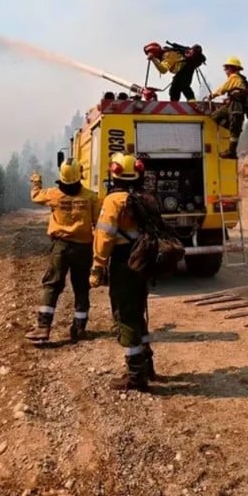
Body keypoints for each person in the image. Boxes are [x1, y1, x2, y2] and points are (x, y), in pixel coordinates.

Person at [90, 152, 157, 390]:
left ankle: (135, 375)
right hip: (143, 262)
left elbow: (104, 236)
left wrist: (98, 266)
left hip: (123, 263)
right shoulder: (146, 198)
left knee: (125, 315)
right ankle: (147, 364)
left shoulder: (113, 201)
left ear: (115, 172)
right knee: (138, 312)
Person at [25, 158, 100, 343]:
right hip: (84, 248)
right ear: (79, 174)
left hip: (61, 247)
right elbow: (98, 223)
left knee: (52, 285)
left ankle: (43, 328)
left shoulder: (54, 194)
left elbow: (35, 196)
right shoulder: (91, 197)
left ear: (62, 176)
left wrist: (36, 181)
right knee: (82, 287)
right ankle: (80, 328)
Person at [207, 56, 248, 159]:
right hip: (232, 105)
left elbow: (223, 88)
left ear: (231, 68)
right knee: (215, 116)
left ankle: (231, 152)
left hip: (236, 106)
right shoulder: (239, 79)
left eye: (226, 68)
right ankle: (233, 129)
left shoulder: (234, 77)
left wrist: (212, 95)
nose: (225, 71)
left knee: (234, 129)